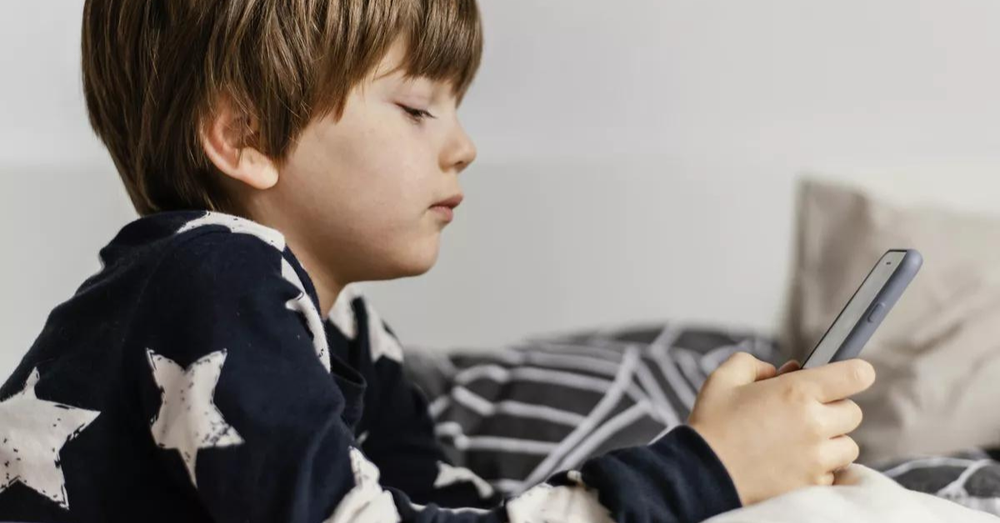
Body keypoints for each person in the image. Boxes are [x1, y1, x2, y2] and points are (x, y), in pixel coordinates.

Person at [0, 1, 876, 521]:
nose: (463, 146)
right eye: (419, 107)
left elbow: (443, 509)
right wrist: (697, 472)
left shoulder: (343, 329)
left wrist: (730, 467)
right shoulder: (213, 275)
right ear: (246, 136)